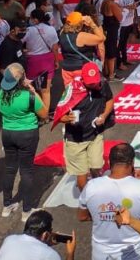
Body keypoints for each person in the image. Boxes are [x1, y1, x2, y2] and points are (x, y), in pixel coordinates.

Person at [79, 142, 140, 260]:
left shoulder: (91, 186)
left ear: (109, 162)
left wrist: (105, 216)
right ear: (132, 163)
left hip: (101, 255)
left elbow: (82, 216)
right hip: (135, 254)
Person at [0, 63, 49, 220]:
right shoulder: (28, 96)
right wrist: (33, 91)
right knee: (26, 170)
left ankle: (7, 206)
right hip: (27, 134)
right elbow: (44, 114)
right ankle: (27, 210)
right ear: (22, 79)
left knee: (10, 168)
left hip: (8, 133)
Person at [55, 61, 114, 193]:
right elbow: (58, 115)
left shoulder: (103, 84)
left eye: (95, 82)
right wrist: (66, 118)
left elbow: (110, 99)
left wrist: (104, 116)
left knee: (97, 166)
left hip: (95, 134)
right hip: (75, 139)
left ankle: (96, 190)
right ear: (83, 79)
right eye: (90, 83)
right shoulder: (71, 89)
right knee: (81, 176)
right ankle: (86, 200)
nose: (94, 85)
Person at [0, 209, 76, 260]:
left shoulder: (10, 239)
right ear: (45, 234)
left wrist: (45, 243)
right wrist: (70, 253)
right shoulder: (50, 255)